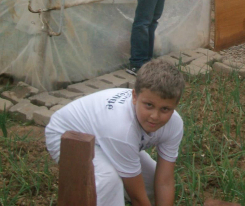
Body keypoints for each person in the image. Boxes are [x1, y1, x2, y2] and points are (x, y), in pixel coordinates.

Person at [45, 59, 185, 206]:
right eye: (149, 105)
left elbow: (165, 181)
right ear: (135, 97)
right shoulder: (123, 130)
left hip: (105, 136)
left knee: (150, 184)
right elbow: (137, 197)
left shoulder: (174, 124)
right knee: (108, 180)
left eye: (165, 109)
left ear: (175, 106)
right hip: (67, 134)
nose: (155, 116)